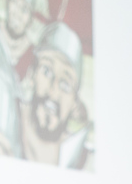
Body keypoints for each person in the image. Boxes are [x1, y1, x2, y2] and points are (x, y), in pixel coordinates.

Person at [18, 22, 92, 168]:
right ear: (31, 74)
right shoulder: (5, 124)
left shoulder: (80, 159)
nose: (53, 91)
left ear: (75, 102)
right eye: (47, 71)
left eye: (65, 84)